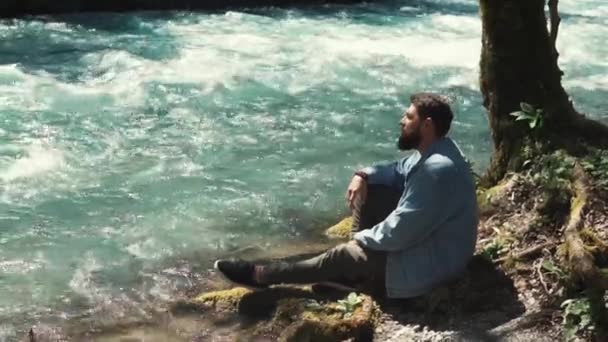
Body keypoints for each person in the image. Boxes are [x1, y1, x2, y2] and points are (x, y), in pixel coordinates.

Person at [214, 93, 479, 298]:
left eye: (409, 117)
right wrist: (363, 175)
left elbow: (402, 232)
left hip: (431, 268)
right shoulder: (437, 151)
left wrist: (360, 241)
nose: (401, 120)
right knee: (374, 187)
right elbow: (397, 170)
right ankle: (354, 274)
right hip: (429, 247)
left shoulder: (436, 171)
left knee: (338, 256)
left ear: (427, 126)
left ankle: (260, 276)